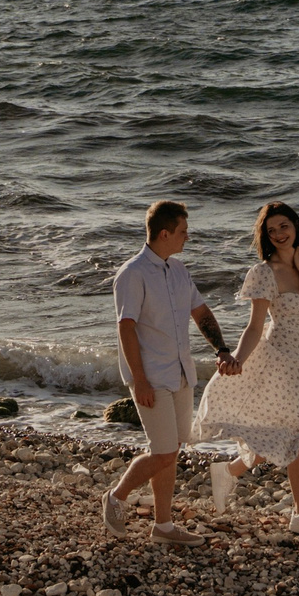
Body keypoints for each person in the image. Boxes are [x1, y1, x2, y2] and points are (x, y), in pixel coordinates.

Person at [192, 200, 299, 539]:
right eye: (271, 230)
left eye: (283, 226)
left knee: (284, 432)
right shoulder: (264, 273)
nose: (279, 234)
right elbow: (255, 327)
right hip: (278, 358)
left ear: (295, 226)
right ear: (266, 236)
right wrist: (238, 359)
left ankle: (229, 472)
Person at [104, 199, 240, 545]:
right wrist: (140, 379)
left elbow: (201, 312)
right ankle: (117, 495)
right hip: (151, 375)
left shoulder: (178, 270)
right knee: (163, 451)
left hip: (181, 372)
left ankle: (163, 526)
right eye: (182, 231)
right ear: (164, 233)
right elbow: (126, 328)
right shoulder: (132, 274)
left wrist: (221, 349)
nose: (187, 237)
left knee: (173, 448)